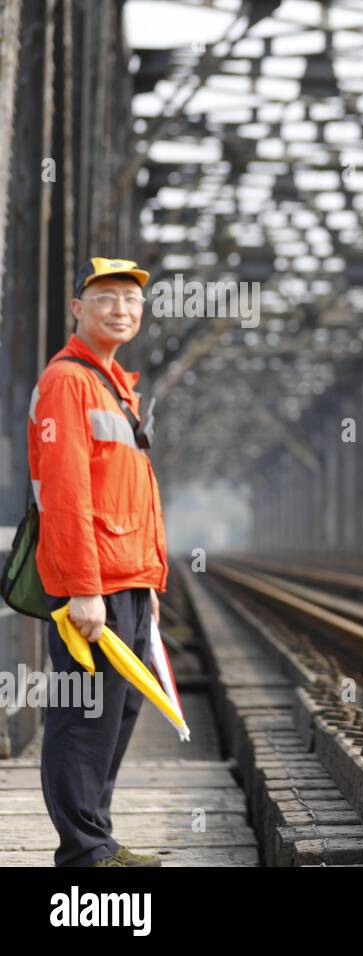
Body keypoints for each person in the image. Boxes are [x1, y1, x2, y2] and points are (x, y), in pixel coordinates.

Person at [28, 257, 168, 865]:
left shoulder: (114, 385)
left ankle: (98, 840)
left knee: (116, 714)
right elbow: (65, 494)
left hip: (128, 582)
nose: (121, 309)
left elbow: (127, 492)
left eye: (131, 300)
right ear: (78, 310)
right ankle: (84, 855)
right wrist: (84, 589)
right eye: (106, 297)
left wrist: (150, 582)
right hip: (96, 586)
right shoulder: (69, 382)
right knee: (85, 718)